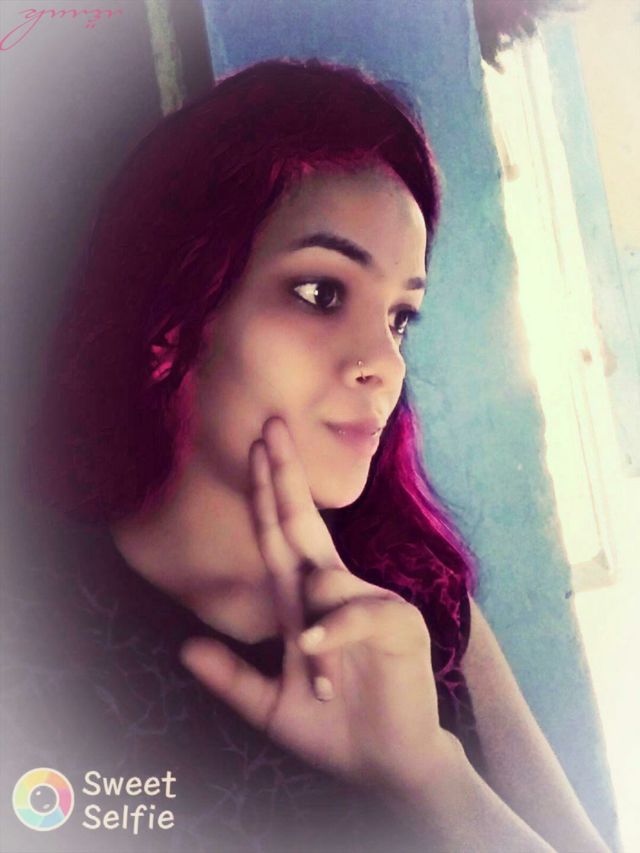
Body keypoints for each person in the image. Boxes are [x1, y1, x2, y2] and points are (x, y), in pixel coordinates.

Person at [25, 58, 609, 852]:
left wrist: (431, 777)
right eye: (321, 293)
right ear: (172, 319)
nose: (385, 363)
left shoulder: (417, 599)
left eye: (400, 317)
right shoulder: (37, 636)